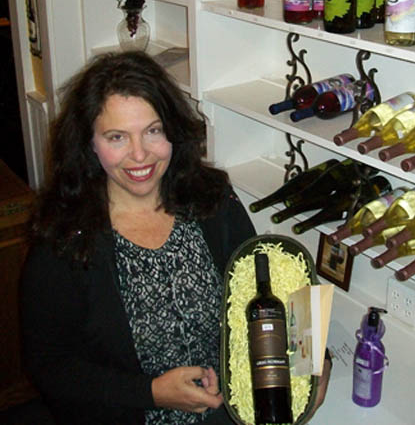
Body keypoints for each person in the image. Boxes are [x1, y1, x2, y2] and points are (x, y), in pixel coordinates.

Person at [21, 50, 331, 424]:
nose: (139, 155)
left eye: (153, 131)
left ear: (173, 130)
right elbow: (50, 366)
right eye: (117, 137)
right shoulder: (64, 238)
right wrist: (150, 392)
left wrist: (316, 360)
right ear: (89, 143)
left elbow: (270, 280)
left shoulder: (211, 199)